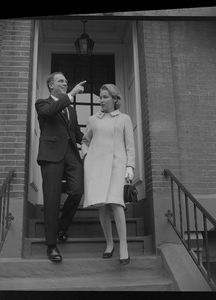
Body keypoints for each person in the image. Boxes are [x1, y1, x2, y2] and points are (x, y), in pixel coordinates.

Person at [81, 84, 135, 265]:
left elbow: (130, 146)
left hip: (117, 165)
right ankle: (110, 244)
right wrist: (86, 155)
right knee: (102, 206)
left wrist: (130, 167)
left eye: (105, 97)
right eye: (100, 97)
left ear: (114, 99)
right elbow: (85, 140)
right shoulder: (93, 119)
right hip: (96, 165)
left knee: (117, 203)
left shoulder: (124, 119)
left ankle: (124, 246)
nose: (101, 101)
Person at [35, 72, 86, 262]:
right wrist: (71, 95)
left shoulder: (71, 110)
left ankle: (62, 227)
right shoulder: (42, 103)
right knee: (52, 198)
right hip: (51, 156)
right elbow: (49, 112)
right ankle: (51, 246)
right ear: (50, 85)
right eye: (60, 81)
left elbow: (77, 134)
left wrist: (95, 134)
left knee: (77, 190)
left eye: (66, 81)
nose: (65, 83)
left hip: (72, 155)